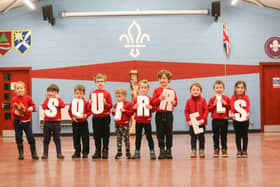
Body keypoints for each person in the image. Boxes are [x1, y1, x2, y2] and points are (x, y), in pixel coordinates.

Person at [151, 70, 177, 159]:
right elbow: (153, 102)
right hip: (159, 114)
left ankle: (169, 150)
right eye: (161, 78)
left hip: (169, 114)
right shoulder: (156, 91)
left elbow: (175, 102)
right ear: (158, 80)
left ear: (168, 80)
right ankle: (162, 150)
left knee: (169, 132)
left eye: (165, 78)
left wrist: (174, 102)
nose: (163, 80)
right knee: (160, 132)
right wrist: (159, 98)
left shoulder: (172, 91)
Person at [11, 81, 39, 160]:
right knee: (18, 137)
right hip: (17, 122)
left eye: (21, 88)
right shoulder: (14, 99)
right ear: (15, 90)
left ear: (24, 89)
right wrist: (15, 112)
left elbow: (33, 106)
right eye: (18, 88)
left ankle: (34, 153)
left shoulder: (28, 98)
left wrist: (32, 108)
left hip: (27, 121)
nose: (20, 90)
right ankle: (21, 154)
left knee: (30, 137)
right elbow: (12, 109)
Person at [89, 73, 112, 159]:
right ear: (95, 83)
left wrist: (105, 103)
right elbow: (89, 107)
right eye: (98, 81)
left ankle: (105, 150)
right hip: (96, 117)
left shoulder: (107, 93)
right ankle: (97, 150)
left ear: (105, 82)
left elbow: (110, 106)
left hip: (105, 117)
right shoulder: (92, 94)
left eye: (102, 81)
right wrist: (89, 103)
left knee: (105, 134)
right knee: (96, 135)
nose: (100, 83)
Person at [131, 80, 156, 160]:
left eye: (145, 88)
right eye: (141, 87)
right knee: (138, 137)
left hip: (147, 121)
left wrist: (151, 108)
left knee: (149, 136)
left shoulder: (150, 99)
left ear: (148, 89)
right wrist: (134, 107)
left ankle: (152, 151)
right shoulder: (135, 99)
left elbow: (154, 109)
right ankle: (137, 151)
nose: (143, 89)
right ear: (138, 89)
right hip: (138, 121)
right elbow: (132, 109)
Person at [41, 84, 65, 159]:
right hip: (47, 122)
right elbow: (44, 107)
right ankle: (45, 153)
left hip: (56, 122)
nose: (51, 93)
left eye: (53, 91)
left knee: (57, 138)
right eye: (49, 91)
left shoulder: (57, 100)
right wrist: (47, 98)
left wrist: (59, 98)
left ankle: (59, 153)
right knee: (46, 138)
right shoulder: (47, 100)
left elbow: (63, 105)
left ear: (57, 93)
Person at [184, 82, 208, 158]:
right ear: (190, 91)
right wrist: (188, 120)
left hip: (201, 123)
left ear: (201, 91)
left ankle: (201, 150)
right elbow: (186, 111)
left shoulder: (203, 100)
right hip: (192, 124)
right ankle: (193, 150)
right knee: (193, 138)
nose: (195, 91)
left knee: (201, 138)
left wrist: (203, 119)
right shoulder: (188, 101)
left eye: (197, 89)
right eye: (193, 89)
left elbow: (206, 110)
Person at [208, 80, 231, 157]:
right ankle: (216, 149)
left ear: (223, 89)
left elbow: (230, 108)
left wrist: (225, 103)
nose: (219, 89)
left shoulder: (226, 98)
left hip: (224, 119)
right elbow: (208, 109)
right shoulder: (212, 99)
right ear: (214, 89)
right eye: (217, 87)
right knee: (215, 135)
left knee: (224, 135)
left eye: (220, 87)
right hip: (215, 120)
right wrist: (214, 104)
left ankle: (224, 149)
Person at [68, 85, 91, 158]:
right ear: (74, 93)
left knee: (85, 138)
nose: (79, 95)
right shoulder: (73, 102)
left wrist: (85, 115)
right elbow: (69, 111)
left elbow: (89, 111)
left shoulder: (86, 102)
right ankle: (77, 151)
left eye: (81, 93)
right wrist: (72, 117)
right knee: (76, 137)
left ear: (84, 94)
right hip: (75, 123)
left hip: (83, 123)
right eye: (77, 93)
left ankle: (85, 152)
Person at [230, 80, 250, 158]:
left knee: (245, 136)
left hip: (245, 120)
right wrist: (232, 114)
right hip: (237, 120)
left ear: (245, 89)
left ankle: (244, 150)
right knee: (238, 136)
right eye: (238, 87)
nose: (240, 89)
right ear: (235, 88)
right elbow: (232, 107)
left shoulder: (246, 97)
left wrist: (247, 113)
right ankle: (239, 150)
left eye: (242, 87)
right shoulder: (233, 97)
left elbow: (247, 106)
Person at [112, 87, 133, 159]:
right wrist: (113, 111)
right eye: (117, 97)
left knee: (126, 138)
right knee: (118, 138)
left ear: (125, 96)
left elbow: (131, 113)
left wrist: (125, 111)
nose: (118, 98)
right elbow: (114, 114)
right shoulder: (116, 104)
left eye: (119, 96)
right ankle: (119, 152)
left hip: (124, 124)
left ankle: (128, 152)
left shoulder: (128, 104)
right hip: (117, 123)